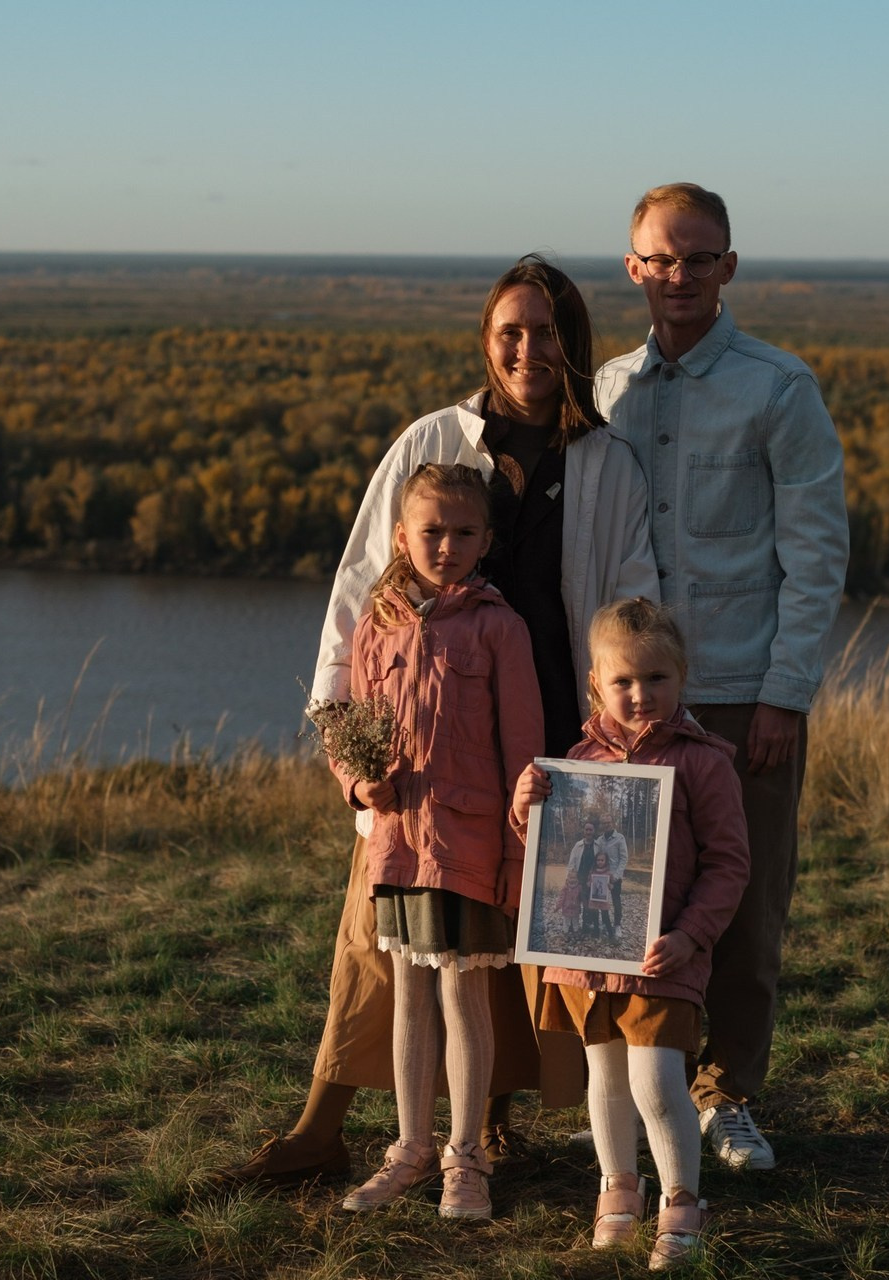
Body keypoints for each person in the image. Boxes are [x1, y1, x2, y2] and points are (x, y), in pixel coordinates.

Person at [211, 255, 658, 1189]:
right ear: (487, 340)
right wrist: (351, 758)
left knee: (567, 949)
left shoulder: (609, 462)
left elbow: (627, 605)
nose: (529, 349)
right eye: (511, 331)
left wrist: (622, 739)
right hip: (428, 757)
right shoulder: (431, 443)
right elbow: (356, 605)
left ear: (576, 345)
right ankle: (324, 1128)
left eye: (547, 332)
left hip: (561, 748)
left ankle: (610, 1160)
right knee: (384, 950)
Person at [595, 183, 849, 1171]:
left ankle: (727, 1095)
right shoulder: (607, 389)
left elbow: (815, 551)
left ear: (728, 267)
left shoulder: (778, 388)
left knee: (742, 905)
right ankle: (633, 1090)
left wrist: (785, 690)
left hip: (744, 691)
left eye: (698, 258)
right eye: (660, 259)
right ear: (632, 268)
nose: (678, 276)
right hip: (629, 698)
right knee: (624, 899)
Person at [331, 463, 543, 1221]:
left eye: (462, 533)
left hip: (472, 845)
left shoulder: (499, 627)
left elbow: (524, 756)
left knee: (463, 994)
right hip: (396, 846)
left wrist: (518, 858)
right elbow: (349, 735)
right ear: (401, 536)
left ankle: (467, 1159)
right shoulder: (374, 626)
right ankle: (410, 1149)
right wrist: (360, 788)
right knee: (409, 996)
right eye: (431, 531)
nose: (446, 546)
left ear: (486, 540)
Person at [514, 598, 750, 1269]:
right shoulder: (577, 760)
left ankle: (683, 1200)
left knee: (656, 1081)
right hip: (587, 954)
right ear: (596, 684)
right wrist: (524, 806)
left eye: (656, 679)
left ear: (682, 678)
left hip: (661, 955)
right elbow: (545, 852)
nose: (640, 695)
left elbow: (731, 863)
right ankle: (618, 1188)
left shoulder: (704, 762)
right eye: (623, 682)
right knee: (605, 1080)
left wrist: (691, 936)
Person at [598, 818, 629, 934]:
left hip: (615, 876)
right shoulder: (600, 840)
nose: (606, 825)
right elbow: (598, 857)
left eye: (608, 822)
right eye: (604, 823)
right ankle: (606, 924)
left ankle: (617, 926)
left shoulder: (620, 838)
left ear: (612, 823)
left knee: (616, 901)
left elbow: (624, 858)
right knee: (602, 901)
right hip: (602, 876)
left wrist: (616, 876)